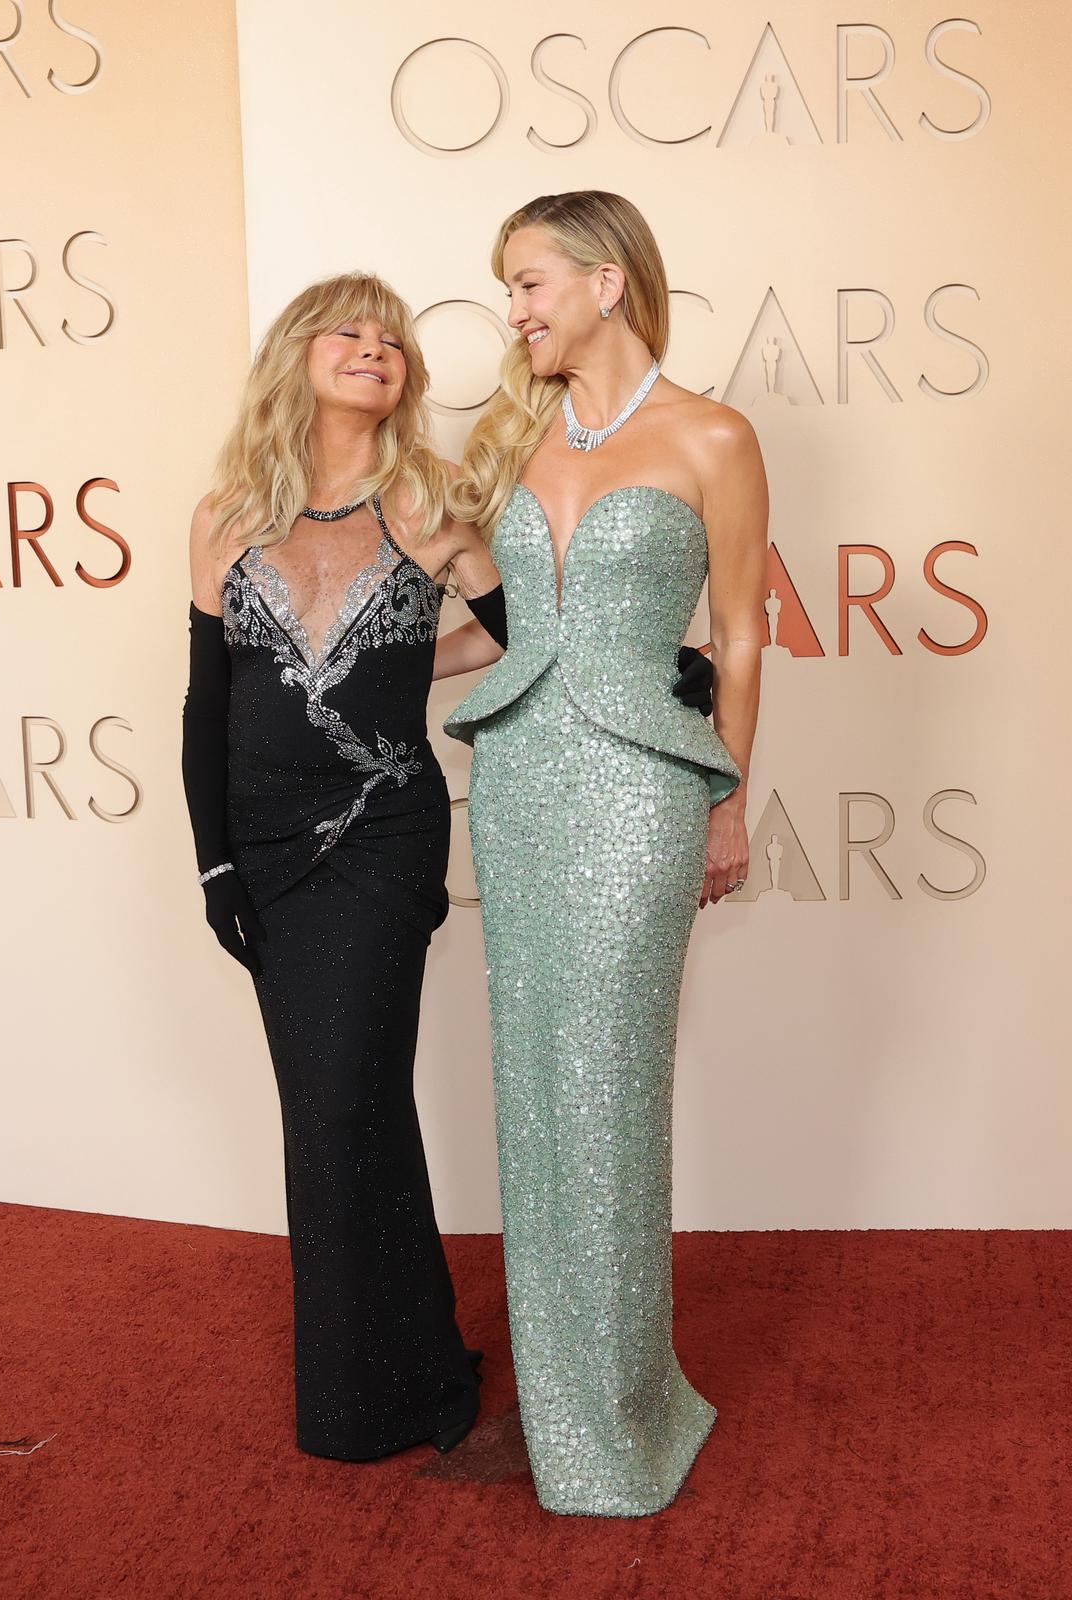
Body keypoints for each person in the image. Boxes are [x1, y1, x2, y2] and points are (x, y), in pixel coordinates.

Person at [178, 272, 712, 1461]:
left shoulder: (429, 503)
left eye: (393, 340)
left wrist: (656, 672)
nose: (376, 349)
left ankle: (382, 1396)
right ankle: (418, 1369)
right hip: (264, 846)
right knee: (334, 1109)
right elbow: (205, 702)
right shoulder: (225, 514)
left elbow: (535, 630)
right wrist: (215, 867)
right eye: (348, 331)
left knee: (340, 1106)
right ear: (297, 356)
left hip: (381, 830)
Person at [443, 192, 766, 1516]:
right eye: (508, 289)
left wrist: (729, 798)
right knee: (534, 1085)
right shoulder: (511, 443)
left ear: (605, 283)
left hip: (643, 783)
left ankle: (622, 1402)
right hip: (517, 778)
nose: (512, 310)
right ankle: (560, 1389)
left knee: (608, 1084)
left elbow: (740, 634)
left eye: (527, 283)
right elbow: (489, 620)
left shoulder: (712, 436)